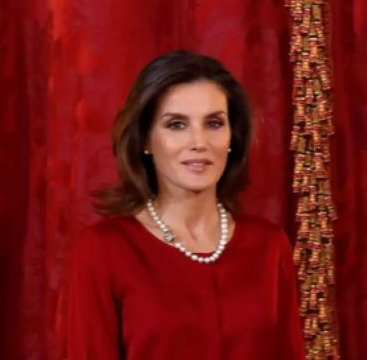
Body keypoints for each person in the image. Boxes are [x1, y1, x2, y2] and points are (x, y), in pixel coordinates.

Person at [66, 50, 304, 359]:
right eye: (177, 124)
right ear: (146, 141)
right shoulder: (104, 250)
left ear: (233, 137)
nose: (199, 142)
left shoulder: (269, 246)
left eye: (214, 123)